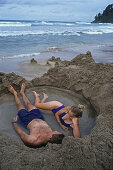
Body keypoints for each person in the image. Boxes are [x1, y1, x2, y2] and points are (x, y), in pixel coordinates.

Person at [8, 83, 65, 148]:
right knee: (28, 104)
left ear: (49, 137)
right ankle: (22, 93)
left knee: (20, 105)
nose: (55, 130)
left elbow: (21, 134)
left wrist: (14, 123)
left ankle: (14, 93)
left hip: (27, 120)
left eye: (55, 132)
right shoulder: (53, 137)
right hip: (39, 117)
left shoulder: (33, 140)